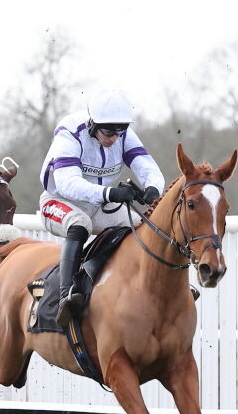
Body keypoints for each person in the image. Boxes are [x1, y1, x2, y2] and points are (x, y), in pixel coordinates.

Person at [39, 89, 165, 326]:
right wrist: (110, 193)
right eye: (108, 132)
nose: (115, 138)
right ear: (91, 123)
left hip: (98, 203)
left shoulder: (121, 133)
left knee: (143, 223)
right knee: (80, 224)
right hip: (59, 202)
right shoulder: (70, 133)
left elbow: (148, 167)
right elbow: (66, 184)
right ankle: (66, 297)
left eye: (120, 132)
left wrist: (153, 188)